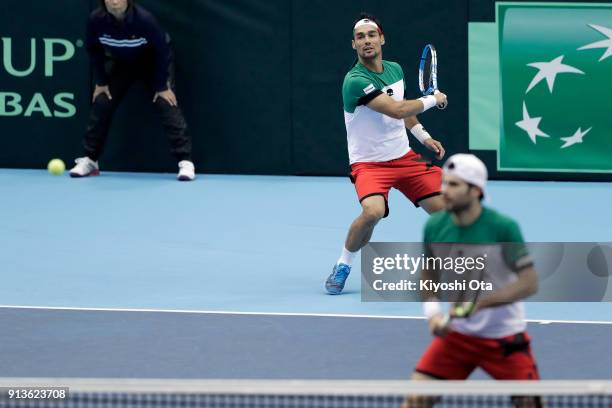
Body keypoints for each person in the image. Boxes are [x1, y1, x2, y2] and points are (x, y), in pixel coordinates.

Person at [403, 154, 540, 408]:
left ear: (475, 190)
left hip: (504, 339)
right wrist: (432, 313)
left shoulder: (503, 227)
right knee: (415, 401)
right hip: (458, 337)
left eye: (454, 185)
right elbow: (429, 273)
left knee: (530, 404)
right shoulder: (435, 226)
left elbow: (529, 283)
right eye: (444, 183)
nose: (444, 190)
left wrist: (482, 304)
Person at [325, 14, 448, 294]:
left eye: (371, 35)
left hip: (404, 158)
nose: (366, 41)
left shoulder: (395, 69)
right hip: (369, 164)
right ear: (353, 45)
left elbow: (404, 112)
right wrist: (433, 99)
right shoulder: (354, 81)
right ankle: (343, 264)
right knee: (373, 212)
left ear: (382, 39)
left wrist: (424, 137)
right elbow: (396, 110)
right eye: (360, 37)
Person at [70, 0, 195, 181]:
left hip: (153, 64)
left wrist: (162, 85)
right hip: (123, 64)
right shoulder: (95, 20)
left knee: (165, 102)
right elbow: (93, 50)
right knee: (102, 101)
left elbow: (162, 51)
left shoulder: (145, 20)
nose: (114, 1)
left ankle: (186, 161)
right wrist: (102, 81)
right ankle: (90, 159)